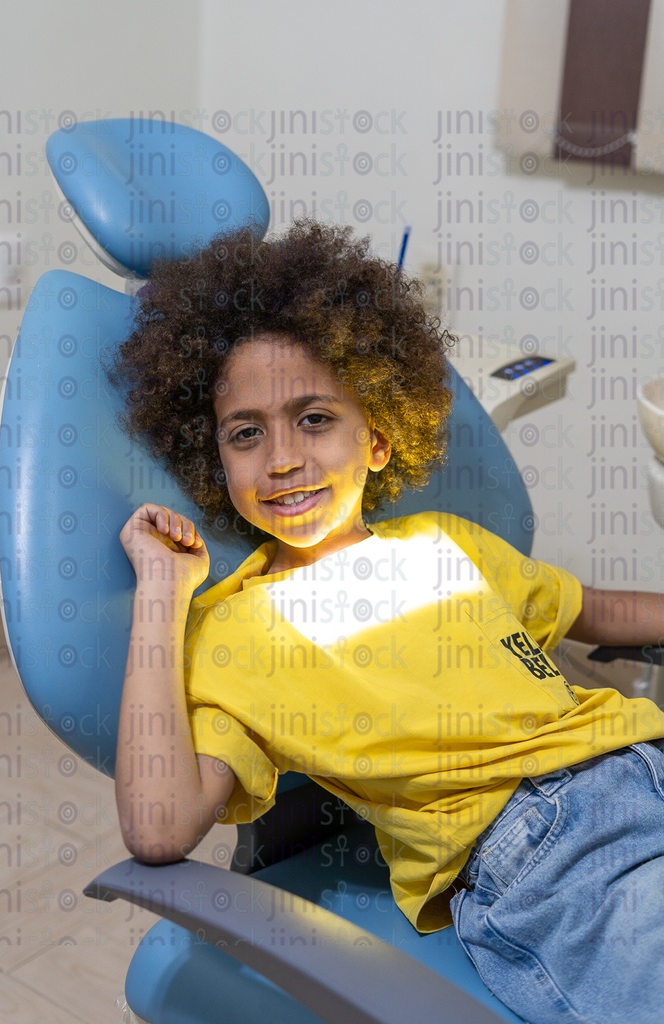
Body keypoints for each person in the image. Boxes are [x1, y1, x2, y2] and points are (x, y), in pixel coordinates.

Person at [112, 220, 664, 1024]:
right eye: (244, 434)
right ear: (214, 461)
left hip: (639, 765)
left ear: (375, 437)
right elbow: (158, 827)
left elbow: (600, 611)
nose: (280, 460)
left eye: (313, 419)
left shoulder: (447, 543)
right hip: (543, 856)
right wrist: (161, 591)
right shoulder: (234, 633)